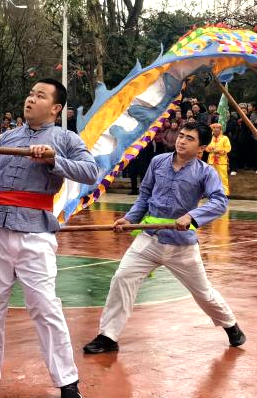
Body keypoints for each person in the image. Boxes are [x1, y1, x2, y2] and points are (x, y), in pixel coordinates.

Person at [0, 78, 99, 398]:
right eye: (30, 93)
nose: (30, 99)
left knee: (44, 305)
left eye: (40, 96)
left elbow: (90, 172)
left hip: (35, 233)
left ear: (56, 108)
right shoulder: (8, 137)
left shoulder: (65, 138)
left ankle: (66, 379)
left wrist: (53, 161)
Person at [82, 120, 245, 354]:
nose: (182, 141)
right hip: (149, 237)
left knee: (203, 292)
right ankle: (108, 335)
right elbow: (145, 195)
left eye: (190, 138)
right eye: (181, 135)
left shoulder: (205, 172)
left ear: (201, 148)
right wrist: (129, 219)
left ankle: (230, 325)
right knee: (122, 278)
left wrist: (192, 216)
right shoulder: (157, 162)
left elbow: (220, 202)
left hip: (182, 246)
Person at [205, 120, 232, 195]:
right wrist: (211, 148)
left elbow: (228, 148)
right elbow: (206, 147)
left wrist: (220, 150)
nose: (215, 129)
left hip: (221, 161)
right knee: (211, 177)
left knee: (223, 177)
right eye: (214, 128)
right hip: (211, 161)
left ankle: (225, 193)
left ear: (220, 130)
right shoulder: (210, 138)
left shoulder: (225, 138)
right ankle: (211, 192)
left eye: (217, 128)